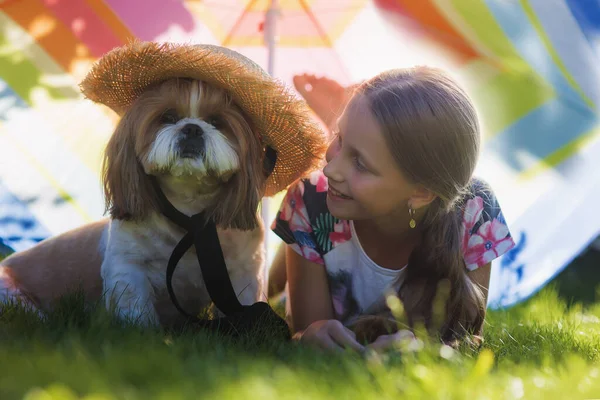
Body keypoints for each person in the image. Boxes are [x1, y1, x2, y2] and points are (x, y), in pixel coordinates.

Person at [269, 67, 515, 352]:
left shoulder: (475, 212)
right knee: (272, 284)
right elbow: (305, 329)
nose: (330, 168)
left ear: (421, 192)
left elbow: (470, 339)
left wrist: (430, 351)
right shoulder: (309, 198)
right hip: (315, 227)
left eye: (360, 163)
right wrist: (310, 334)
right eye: (339, 137)